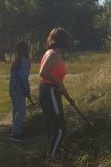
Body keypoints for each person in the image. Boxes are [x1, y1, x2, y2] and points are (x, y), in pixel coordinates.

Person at [38, 27, 75, 160]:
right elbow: (43, 72)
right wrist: (57, 84)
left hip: (52, 91)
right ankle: (52, 159)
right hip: (49, 91)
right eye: (68, 40)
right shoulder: (52, 54)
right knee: (59, 128)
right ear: (63, 41)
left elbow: (58, 80)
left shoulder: (55, 54)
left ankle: (53, 153)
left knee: (54, 126)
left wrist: (69, 97)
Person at [8, 41, 33, 140]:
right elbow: (23, 78)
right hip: (19, 90)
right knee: (21, 111)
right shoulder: (25, 61)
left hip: (12, 88)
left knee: (16, 110)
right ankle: (16, 133)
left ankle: (15, 130)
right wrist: (27, 91)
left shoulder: (15, 61)